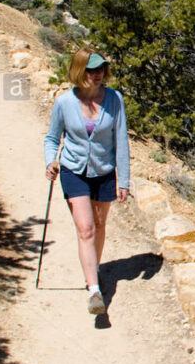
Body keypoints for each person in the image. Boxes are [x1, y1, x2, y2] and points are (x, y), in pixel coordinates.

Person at [43, 49, 131, 315]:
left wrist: (123, 180)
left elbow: (121, 141)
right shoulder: (64, 102)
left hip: (104, 171)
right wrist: (50, 161)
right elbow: (51, 138)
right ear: (79, 71)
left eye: (101, 69)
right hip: (74, 170)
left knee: (100, 225)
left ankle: (94, 269)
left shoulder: (115, 99)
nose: (97, 74)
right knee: (86, 229)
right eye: (91, 70)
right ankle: (94, 290)